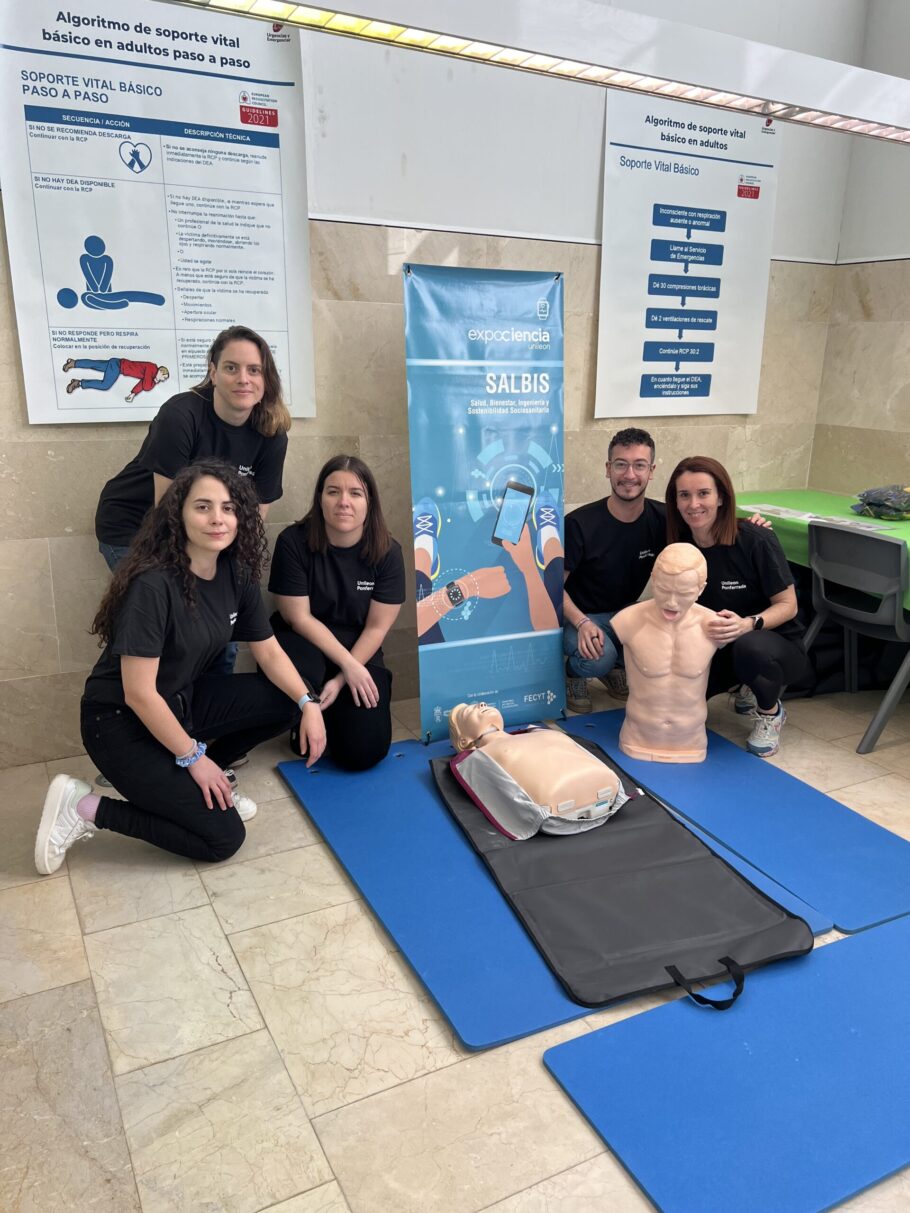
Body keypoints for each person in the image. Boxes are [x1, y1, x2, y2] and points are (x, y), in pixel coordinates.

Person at [34, 461, 326, 876]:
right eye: (203, 507)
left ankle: (207, 780)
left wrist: (309, 704)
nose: (217, 519)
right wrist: (192, 757)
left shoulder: (236, 573)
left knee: (285, 701)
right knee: (222, 838)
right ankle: (84, 807)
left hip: (179, 705)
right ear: (179, 514)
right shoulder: (153, 585)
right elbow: (138, 693)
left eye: (228, 508)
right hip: (120, 724)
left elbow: (269, 651)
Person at [94, 325, 290, 572]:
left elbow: (254, 516)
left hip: (204, 527)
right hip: (134, 524)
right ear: (213, 372)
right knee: (169, 601)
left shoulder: (272, 433)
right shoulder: (180, 416)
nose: (243, 379)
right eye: (231, 368)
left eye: (254, 370)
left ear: (266, 380)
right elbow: (166, 512)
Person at [665, 455, 811, 758]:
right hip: (717, 645)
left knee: (750, 648)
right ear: (675, 502)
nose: (694, 504)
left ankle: (770, 711)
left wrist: (748, 623)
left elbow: (789, 605)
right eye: (685, 495)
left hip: (773, 645)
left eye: (704, 493)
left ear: (721, 497)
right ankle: (743, 684)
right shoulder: (679, 545)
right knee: (674, 708)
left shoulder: (756, 539)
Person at [269, 454, 406, 771]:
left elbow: (375, 629)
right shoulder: (293, 542)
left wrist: (345, 676)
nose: (344, 502)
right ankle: (306, 710)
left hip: (359, 647)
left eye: (355, 493)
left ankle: (330, 707)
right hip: (303, 642)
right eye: (333, 491)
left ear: (369, 501)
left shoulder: (388, 552)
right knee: (302, 747)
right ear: (320, 498)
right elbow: (297, 617)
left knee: (363, 753)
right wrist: (346, 665)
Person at [563, 427, 663, 711]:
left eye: (639, 465)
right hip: (579, 616)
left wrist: (749, 526)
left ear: (651, 470)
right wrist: (582, 623)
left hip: (627, 612)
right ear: (608, 469)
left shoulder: (663, 518)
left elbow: (709, 528)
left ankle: (614, 665)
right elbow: (551, 589)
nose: (629, 475)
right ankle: (572, 673)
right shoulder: (580, 524)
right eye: (621, 464)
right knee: (597, 656)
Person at [611, 544, 721, 763]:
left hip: (692, 743)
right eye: (663, 589)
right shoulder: (628, 621)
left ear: (701, 589)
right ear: (653, 578)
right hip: (636, 739)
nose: (671, 602)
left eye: (684, 593)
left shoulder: (714, 626)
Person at [448, 702, 620, 821]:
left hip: (602, 784)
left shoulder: (538, 731)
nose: (482, 705)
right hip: (557, 800)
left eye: (482, 704)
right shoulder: (481, 757)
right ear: (464, 741)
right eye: (470, 711)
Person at [64, 355, 169, 400]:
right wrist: (155, 381)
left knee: (95, 364)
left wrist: (133, 394)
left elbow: (142, 384)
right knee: (105, 385)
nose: (163, 380)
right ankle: (78, 383)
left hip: (117, 363)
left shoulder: (151, 374)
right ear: (161, 372)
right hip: (118, 367)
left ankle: (74, 363)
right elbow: (146, 387)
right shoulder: (152, 369)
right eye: (164, 378)